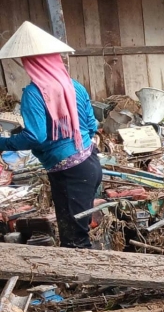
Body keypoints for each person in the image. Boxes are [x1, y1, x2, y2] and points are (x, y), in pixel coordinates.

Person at [0, 23, 102, 248]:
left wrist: (4, 143)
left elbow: (35, 137)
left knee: (75, 238)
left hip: (69, 173)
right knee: (76, 233)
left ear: (31, 63)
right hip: (89, 163)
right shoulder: (74, 86)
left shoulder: (34, 94)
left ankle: (85, 281)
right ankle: (80, 279)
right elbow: (91, 125)